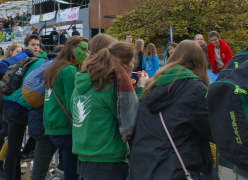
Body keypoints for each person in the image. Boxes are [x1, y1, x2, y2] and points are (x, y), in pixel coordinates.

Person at [130, 40, 215, 180]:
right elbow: (212, 130)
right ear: (200, 62)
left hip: (144, 166)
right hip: (177, 168)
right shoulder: (196, 89)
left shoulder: (152, 85)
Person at [71, 41, 149, 180]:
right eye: (132, 63)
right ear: (127, 64)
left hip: (84, 158)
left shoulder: (83, 80)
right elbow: (132, 118)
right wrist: (141, 88)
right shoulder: (110, 85)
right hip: (109, 160)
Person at [0, 34, 47, 180]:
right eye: (33, 44)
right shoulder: (28, 57)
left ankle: (18, 167)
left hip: (10, 102)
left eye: (37, 44)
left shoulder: (34, 60)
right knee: (42, 132)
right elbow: (1, 64)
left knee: (13, 148)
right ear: (26, 46)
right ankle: (28, 151)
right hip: (18, 105)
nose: (36, 47)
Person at [43, 36, 89, 180]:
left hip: (53, 127)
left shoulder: (55, 66)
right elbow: (73, 105)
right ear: (72, 48)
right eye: (83, 49)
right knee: (72, 175)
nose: (86, 54)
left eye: (87, 51)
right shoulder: (69, 69)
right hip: (65, 129)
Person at [28, 45, 65, 180]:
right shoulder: (58, 70)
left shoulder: (46, 66)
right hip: (45, 127)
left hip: (37, 121)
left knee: (39, 169)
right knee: (39, 171)